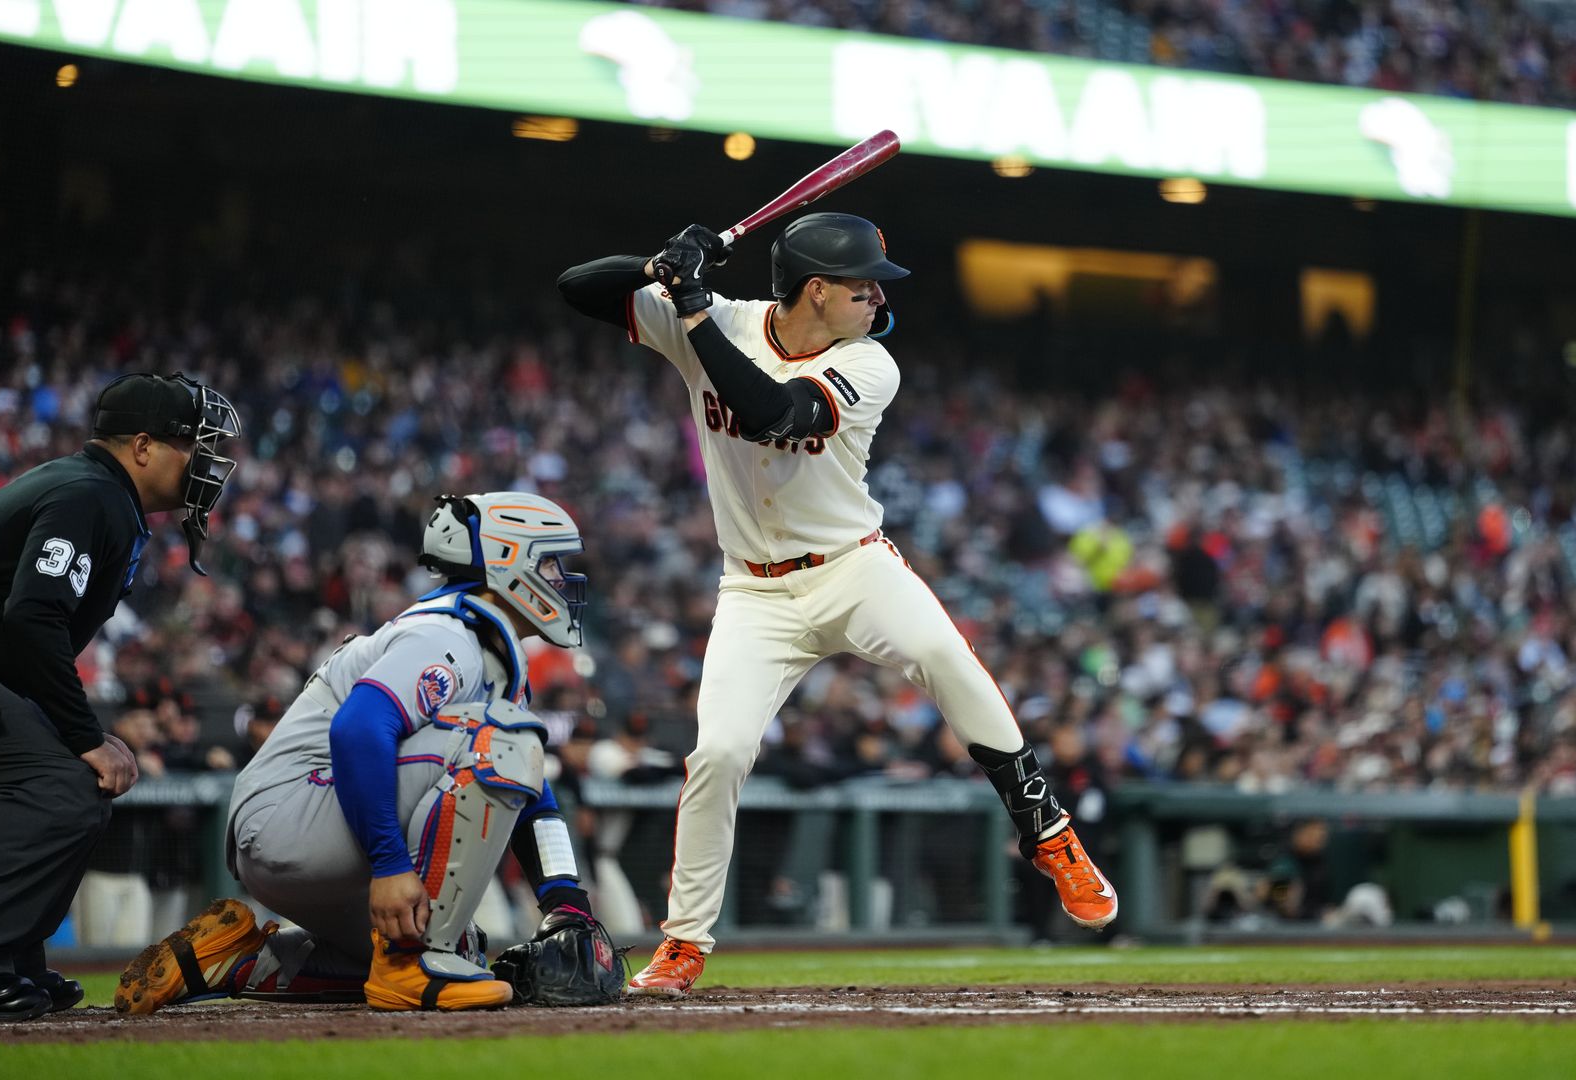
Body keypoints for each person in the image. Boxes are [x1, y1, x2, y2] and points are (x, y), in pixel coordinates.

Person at [558, 213, 1118, 998]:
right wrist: (659, 262)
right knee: (716, 753)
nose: (877, 299)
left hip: (852, 567)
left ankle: (1048, 833)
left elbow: (773, 413)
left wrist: (688, 306)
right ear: (816, 290)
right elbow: (576, 287)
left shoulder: (868, 360)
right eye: (862, 287)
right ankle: (684, 944)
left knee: (942, 654)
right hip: (753, 588)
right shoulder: (720, 318)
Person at [115, 493, 621, 1013]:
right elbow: (358, 731)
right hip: (295, 813)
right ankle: (408, 964)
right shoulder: (446, 635)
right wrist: (390, 865)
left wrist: (566, 903)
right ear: (507, 561)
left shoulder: (479, 647)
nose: (561, 578)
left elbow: (535, 791)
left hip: (307, 826)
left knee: (462, 943)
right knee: (503, 744)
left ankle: (233, 959)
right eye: (551, 562)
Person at [0, 371, 239, 1022]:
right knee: (66, 788)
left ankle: (6, 958)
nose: (205, 464)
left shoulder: (93, 489)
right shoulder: (90, 493)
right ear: (143, 446)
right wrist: (87, 736)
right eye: (193, 446)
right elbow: (34, 615)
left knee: (47, 780)